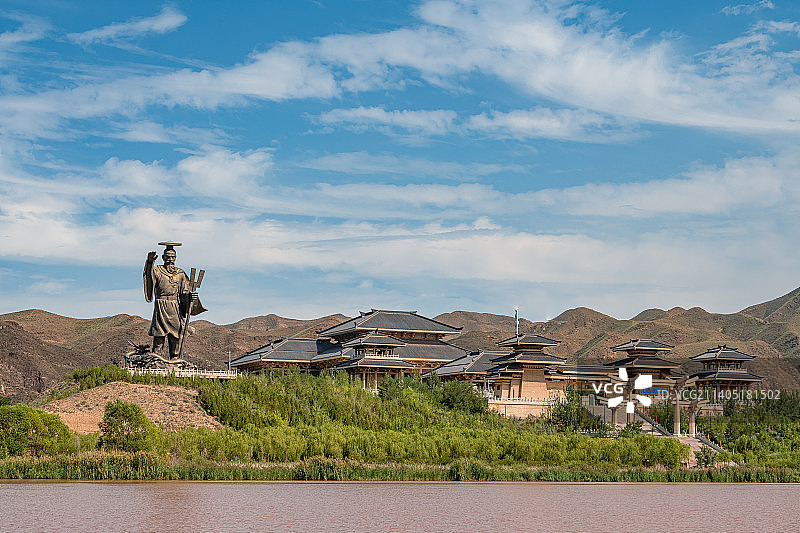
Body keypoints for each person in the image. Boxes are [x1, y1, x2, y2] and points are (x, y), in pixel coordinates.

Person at [143, 242, 206, 359]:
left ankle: (175, 358)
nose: (170, 259)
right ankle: (156, 358)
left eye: (173, 257)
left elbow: (184, 291)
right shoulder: (157, 271)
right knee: (159, 334)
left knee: (176, 335)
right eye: (168, 257)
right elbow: (149, 278)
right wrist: (150, 263)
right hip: (161, 306)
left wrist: (189, 296)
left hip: (175, 307)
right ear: (163, 257)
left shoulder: (180, 273)